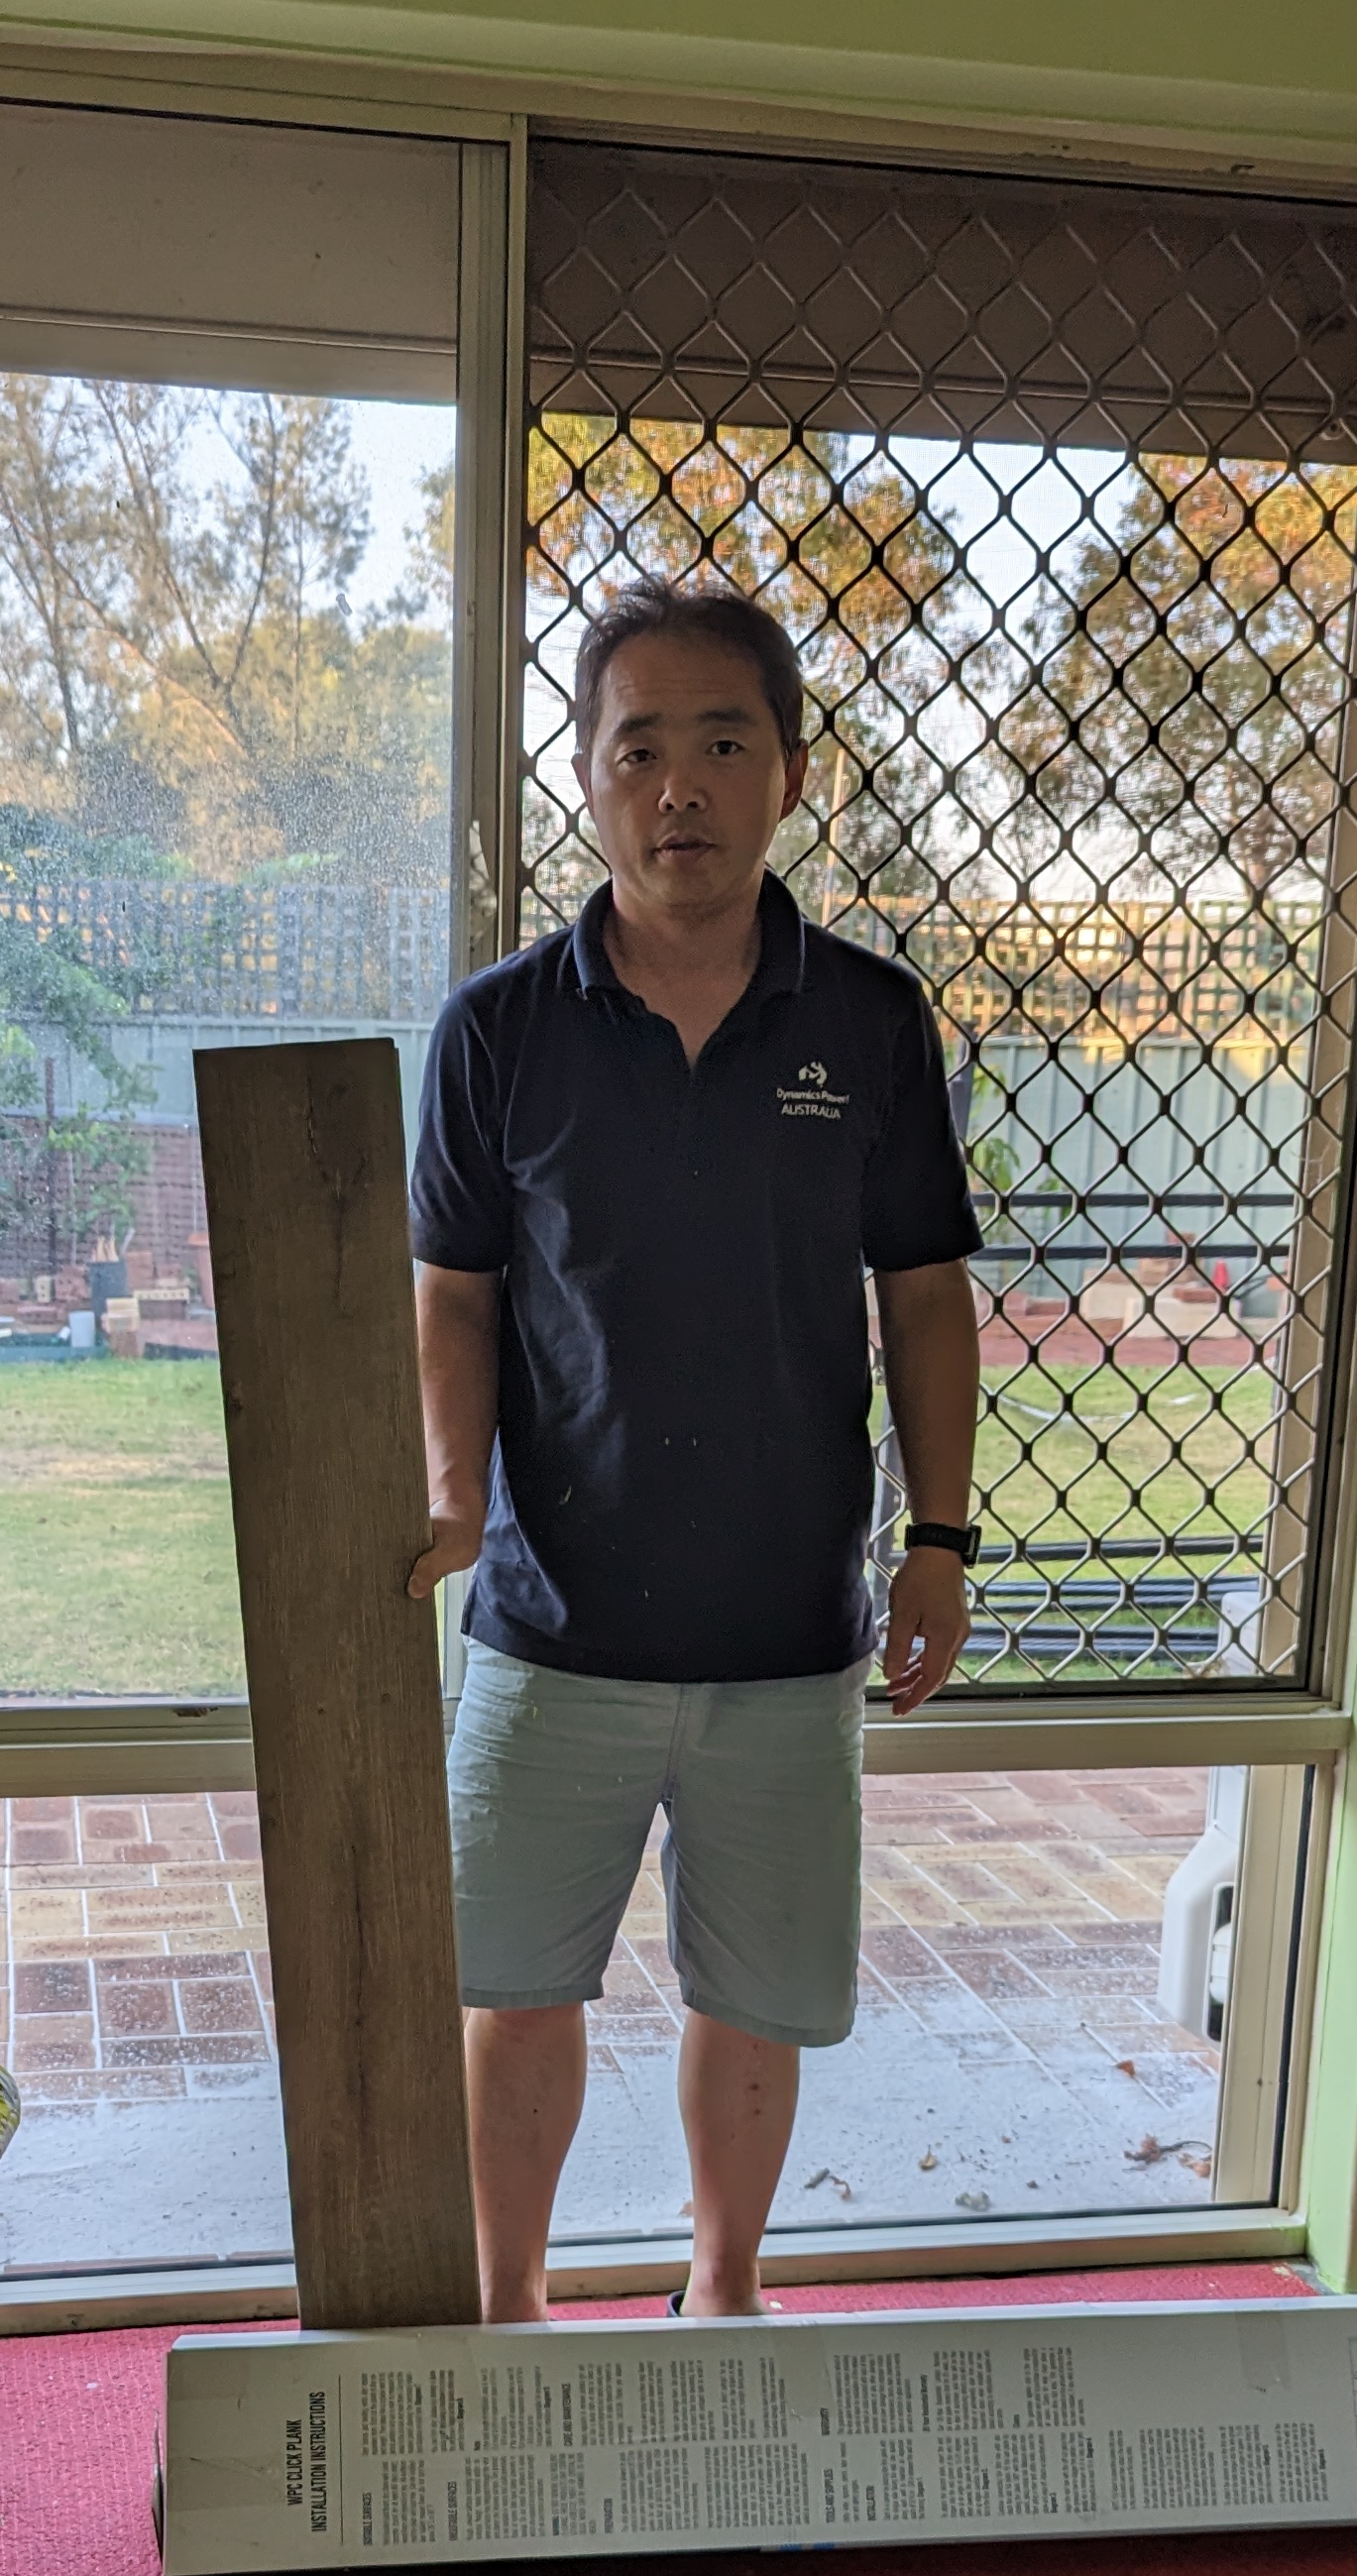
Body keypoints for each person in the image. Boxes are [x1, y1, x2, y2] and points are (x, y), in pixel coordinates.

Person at [408, 576, 983, 2321]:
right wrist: (454, 1494)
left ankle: (722, 2292)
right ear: (586, 776)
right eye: (637, 746)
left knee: (754, 2001)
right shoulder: (498, 1031)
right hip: (550, 1625)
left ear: (790, 774)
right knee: (515, 1989)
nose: (680, 788)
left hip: (787, 1631)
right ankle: (510, 2307)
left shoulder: (871, 1023)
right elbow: (455, 1294)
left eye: (724, 744)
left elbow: (926, 1295)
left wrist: (940, 1541)